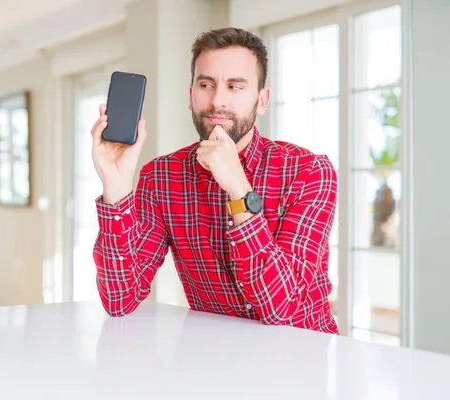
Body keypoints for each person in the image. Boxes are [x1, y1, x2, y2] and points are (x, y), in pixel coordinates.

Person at [90, 27, 338, 334]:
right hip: (209, 361)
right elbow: (119, 299)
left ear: (262, 100)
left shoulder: (310, 172)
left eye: (235, 87)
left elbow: (281, 308)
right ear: (191, 96)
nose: (217, 100)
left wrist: (238, 188)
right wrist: (115, 188)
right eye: (206, 84)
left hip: (300, 363)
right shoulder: (162, 177)